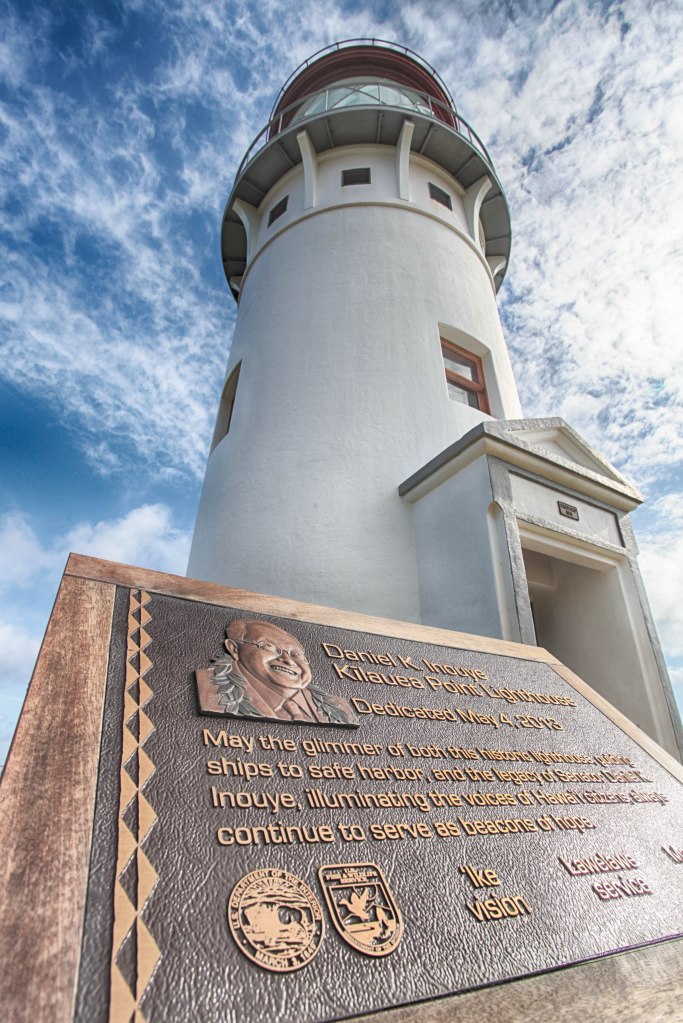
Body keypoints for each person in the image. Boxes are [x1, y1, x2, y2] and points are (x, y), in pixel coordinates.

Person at [195, 618, 357, 727]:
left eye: (296, 654)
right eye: (268, 646)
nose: (288, 660)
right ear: (234, 649)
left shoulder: (340, 709)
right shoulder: (210, 693)